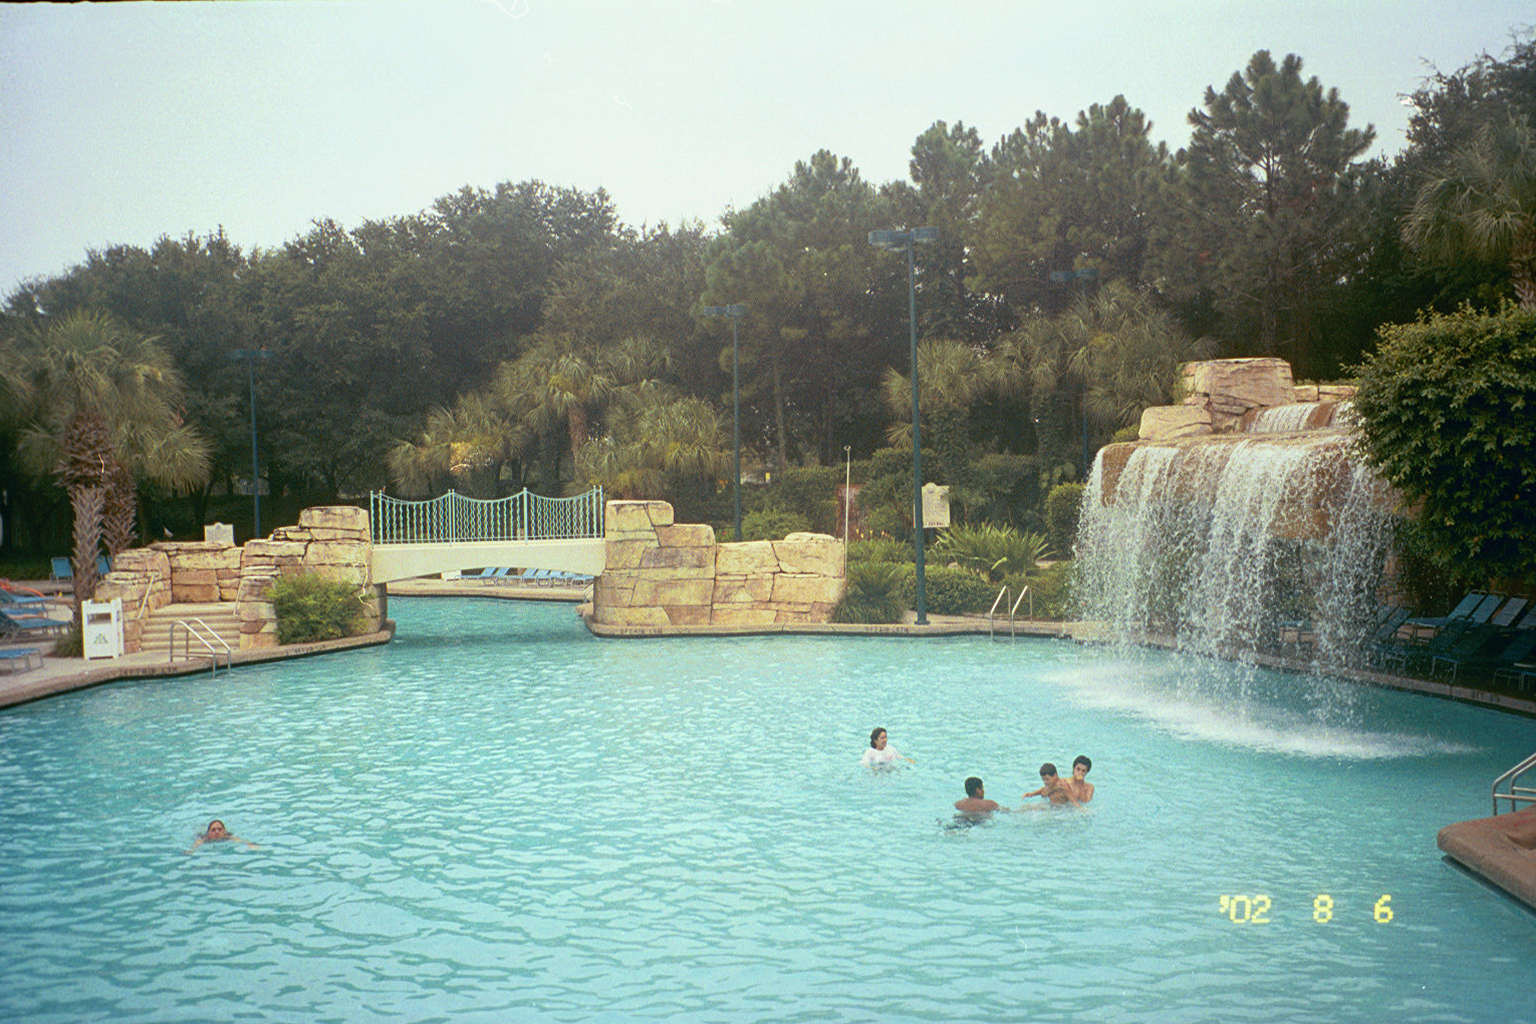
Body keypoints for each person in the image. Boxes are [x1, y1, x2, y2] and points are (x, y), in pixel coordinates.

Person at [185, 819, 258, 854]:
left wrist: (250, 844)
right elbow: (196, 844)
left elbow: (239, 840)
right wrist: (191, 850)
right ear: (208, 833)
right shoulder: (205, 838)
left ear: (224, 831)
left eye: (219, 829)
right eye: (213, 830)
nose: (217, 832)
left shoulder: (227, 836)